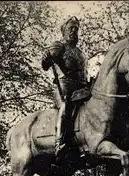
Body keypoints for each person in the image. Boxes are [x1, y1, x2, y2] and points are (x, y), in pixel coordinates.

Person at [41, 17, 88, 164]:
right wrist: (47, 57)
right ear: (64, 31)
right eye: (71, 28)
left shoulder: (80, 53)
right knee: (65, 107)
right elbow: (45, 64)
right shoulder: (59, 46)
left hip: (81, 88)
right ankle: (59, 143)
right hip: (63, 87)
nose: (74, 31)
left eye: (76, 29)